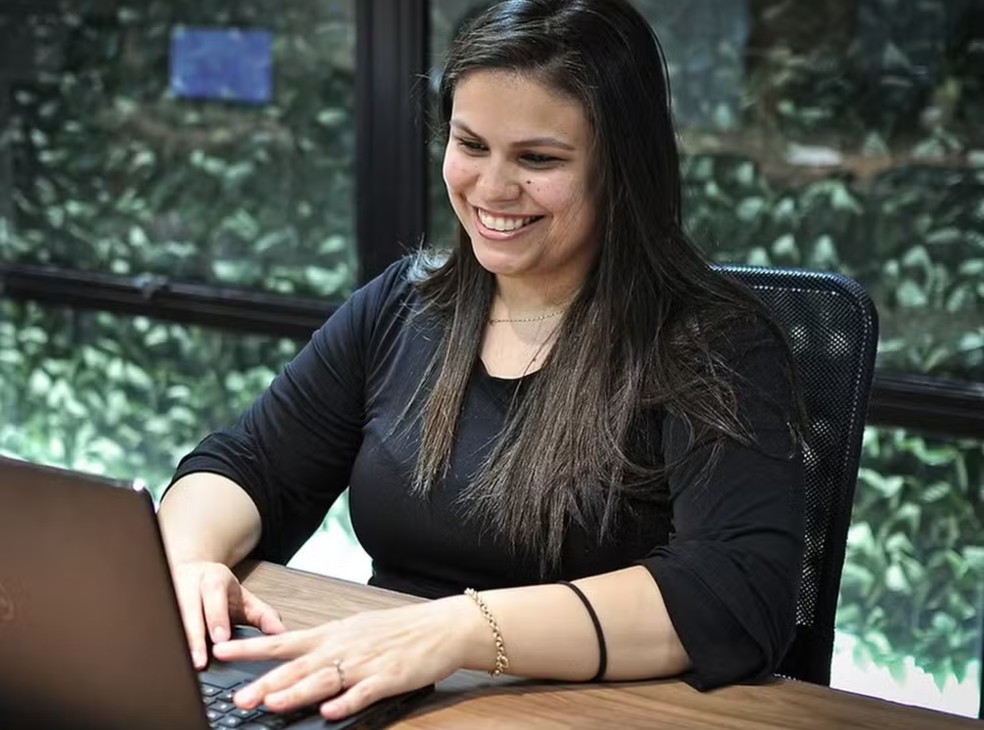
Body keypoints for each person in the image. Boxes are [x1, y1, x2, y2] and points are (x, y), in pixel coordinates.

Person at [158, 0, 805, 722]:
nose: (492, 189)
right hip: (389, 696)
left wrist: (459, 630)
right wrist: (185, 563)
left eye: (538, 159)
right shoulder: (402, 307)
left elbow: (736, 587)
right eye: (470, 145)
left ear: (622, 170)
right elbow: (246, 465)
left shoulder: (711, 344)